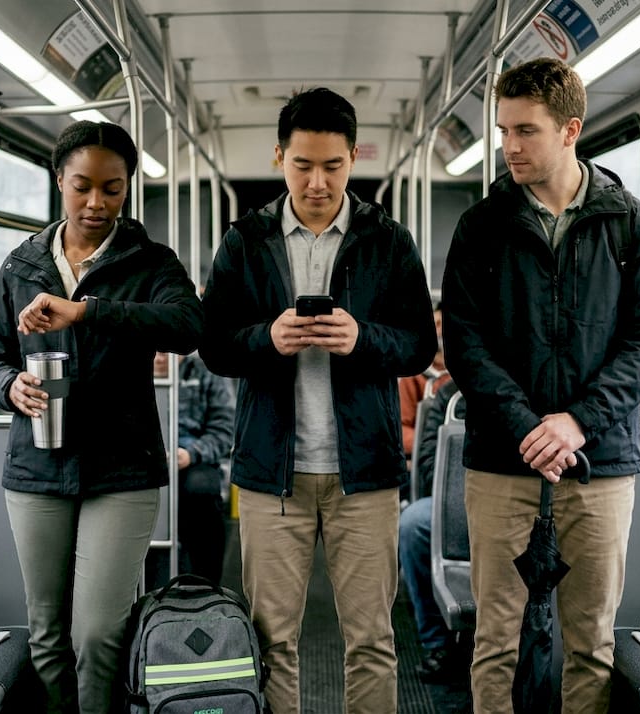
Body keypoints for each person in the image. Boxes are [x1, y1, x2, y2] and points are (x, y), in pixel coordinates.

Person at [441, 57, 640, 713]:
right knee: (496, 640)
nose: (510, 146)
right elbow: (466, 342)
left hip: (598, 459)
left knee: (590, 641)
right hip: (501, 457)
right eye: (504, 130)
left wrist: (573, 422)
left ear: (570, 129)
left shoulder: (631, 224)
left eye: (526, 131)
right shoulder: (482, 227)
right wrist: (528, 427)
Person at [199, 87, 437, 714]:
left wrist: (361, 339)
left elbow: (419, 346)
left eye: (333, 166)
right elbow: (215, 344)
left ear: (354, 158)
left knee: (373, 640)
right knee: (274, 640)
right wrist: (266, 338)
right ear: (279, 157)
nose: (317, 181)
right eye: (303, 165)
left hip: (365, 472)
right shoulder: (244, 241)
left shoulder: (387, 240)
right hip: (270, 470)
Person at [0, 120, 203, 713]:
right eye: (82, 186)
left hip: (121, 468)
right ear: (59, 181)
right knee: (47, 635)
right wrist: (10, 388)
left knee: (97, 632)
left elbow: (188, 326)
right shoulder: (22, 263)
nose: (96, 203)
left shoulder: (150, 261)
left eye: (113, 188)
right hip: (37, 466)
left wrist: (86, 312)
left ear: (128, 188)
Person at [398, 376, 467, 683]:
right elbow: (429, 464)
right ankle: (436, 643)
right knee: (414, 523)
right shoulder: (450, 397)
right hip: (458, 500)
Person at [152, 350, 236, 584]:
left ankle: (205, 586)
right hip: (144, 461)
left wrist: (190, 454)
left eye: (166, 351)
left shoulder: (207, 372)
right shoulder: (127, 372)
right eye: (153, 351)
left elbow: (225, 429)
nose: (159, 358)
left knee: (201, 491)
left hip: (193, 460)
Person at [399, 302, 451, 460]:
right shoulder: (414, 375)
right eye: (435, 324)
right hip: (425, 456)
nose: (439, 330)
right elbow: (401, 427)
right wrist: (432, 445)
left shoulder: (469, 374)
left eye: (443, 324)